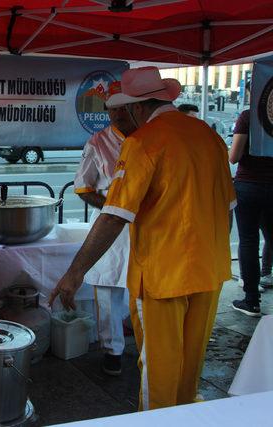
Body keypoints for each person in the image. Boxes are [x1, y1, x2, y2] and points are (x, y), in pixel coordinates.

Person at [49, 67, 235, 410]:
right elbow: (228, 208)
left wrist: (74, 274)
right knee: (191, 365)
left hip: (163, 275)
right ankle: (187, 415)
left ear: (137, 107)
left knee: (158, 370)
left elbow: (113, 216)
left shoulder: (142, 142)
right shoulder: (208, 136)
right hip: (210, 269)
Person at [72, 81, 135, 376]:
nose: (118, 115)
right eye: (113, 110)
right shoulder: (97, 143)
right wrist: (111, 207)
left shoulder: (153, 139)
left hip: (149, 227)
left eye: (124, 109)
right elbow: (83, 188)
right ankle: (113, 350)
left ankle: (150, 351)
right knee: (108, 288)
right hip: (112, 226)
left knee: (146, 291)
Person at [229, 81, 273, 316]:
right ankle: (266, 274)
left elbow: (234, 156)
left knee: (248, 242)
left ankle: (251, 300)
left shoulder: (248, 116)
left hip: (249, 185)